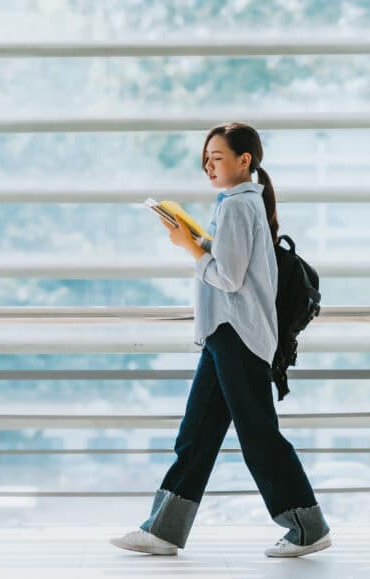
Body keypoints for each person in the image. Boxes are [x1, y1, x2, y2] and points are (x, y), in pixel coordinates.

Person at [110, 122, 332, 558]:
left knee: (259, 436)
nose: (209, 166)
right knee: (196, 435)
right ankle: (164, 530)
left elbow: (228, 277)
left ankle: (308, 526)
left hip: (237, 336)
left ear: (244, 161)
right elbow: (238, 266)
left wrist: (189, 247)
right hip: (223, 336)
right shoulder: (242, 203)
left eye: (217, 157)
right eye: (206, 159)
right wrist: (200, 240)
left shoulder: (236, 206)